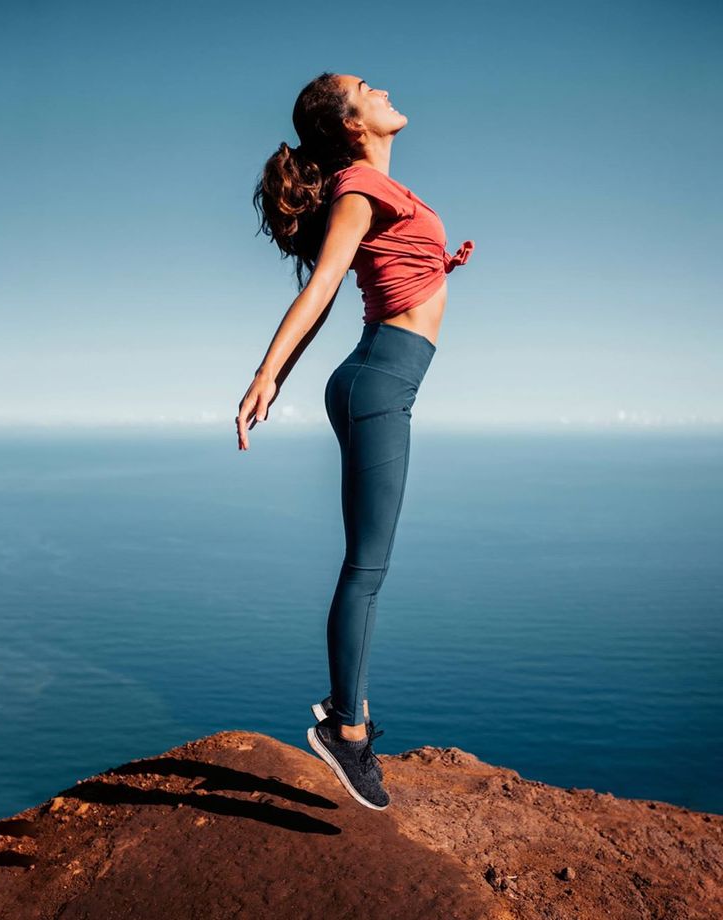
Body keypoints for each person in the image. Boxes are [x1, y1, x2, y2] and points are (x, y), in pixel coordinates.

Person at [237, 72, 474, 810]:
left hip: (382, 380)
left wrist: (434, 266)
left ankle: (348, 718)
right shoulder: (356, 191)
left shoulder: (372, 189)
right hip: (377, 385)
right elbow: (321, 289)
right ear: (347, 123)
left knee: (370, 564)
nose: (384, 89)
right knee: (367, 568)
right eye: (367, 87)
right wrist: (266, 375)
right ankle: (346, 728)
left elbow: (356, 280)